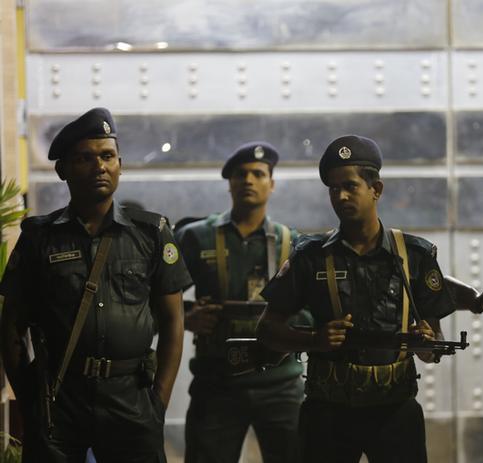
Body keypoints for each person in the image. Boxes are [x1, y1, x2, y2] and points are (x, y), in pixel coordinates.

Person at [0, 107, 191, 462]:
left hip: (131, 397)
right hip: (59, 397)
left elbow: (172, 321)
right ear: (64, 170)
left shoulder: (151, 233)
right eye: (85, 158)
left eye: (107, 156)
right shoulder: (40, 238)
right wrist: (28, 399)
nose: (99, 166)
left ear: (120, 164)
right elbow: (12, 325)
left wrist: (158, 402)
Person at [256, 134, 455, 463]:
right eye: (334, 189)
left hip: (395, 409)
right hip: (328, 412)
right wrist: (314, 340)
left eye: (350, 186)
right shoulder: (309, 256)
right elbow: (267, 330)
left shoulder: (415, 255)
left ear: (376, 189)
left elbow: (432, 346)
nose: (341, 196)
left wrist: (427, 342)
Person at [175, 142, 304, 463]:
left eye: (258, 174)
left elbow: (313, 311)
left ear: (271, 184)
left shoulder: (292, 242)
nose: (249, 180)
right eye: (241, 174)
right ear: (230, 183)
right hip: (216, 382)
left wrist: (288, 330)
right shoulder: (195, 237)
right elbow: (155, 298)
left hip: (281, 385)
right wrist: (186, 316)